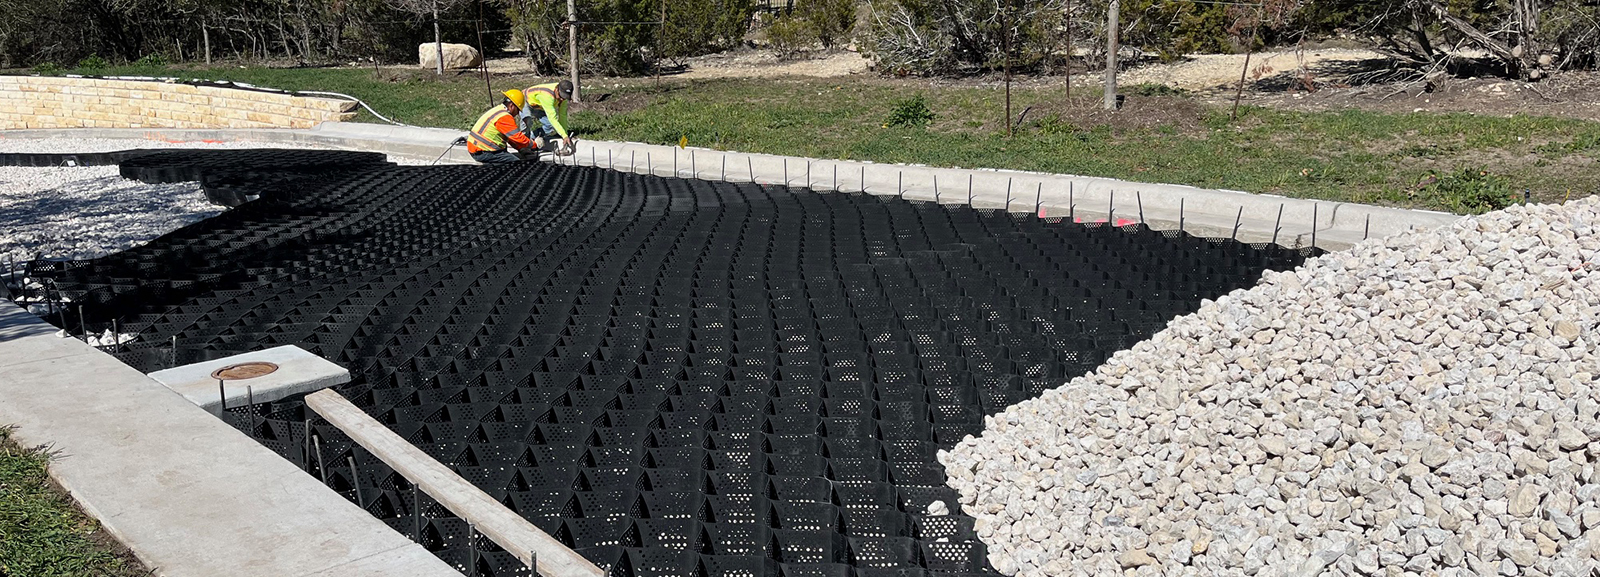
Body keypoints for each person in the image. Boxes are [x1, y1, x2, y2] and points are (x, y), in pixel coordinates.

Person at [466, 89, 534, 164]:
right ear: (512, 106)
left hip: (478, 148)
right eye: (518, 110)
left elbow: (510, 138)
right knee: (516, 164)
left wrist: (521, 149)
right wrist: (534, 144)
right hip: (483, 151)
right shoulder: (504, 117)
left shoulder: (498, 110)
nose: (517, 113)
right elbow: (517, 137)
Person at [519, 80, 576, 156]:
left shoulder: (563, 99)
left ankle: (532, 137)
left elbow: (562, 116)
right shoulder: (547, 95)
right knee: (527, 120)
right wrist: (564, 136)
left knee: (550, 125)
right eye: (561, 96)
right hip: (525, 100)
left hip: (538, 105)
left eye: (565, 97)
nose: (562, 99)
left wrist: (564, 134)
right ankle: (523, 145)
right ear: (557, 89)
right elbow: (552, 118)